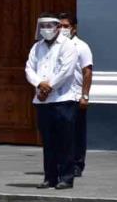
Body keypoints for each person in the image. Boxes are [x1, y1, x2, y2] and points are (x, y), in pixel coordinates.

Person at [25, 13, 79, 190]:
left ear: (57, 27)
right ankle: (50, 177)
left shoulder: (68, 45)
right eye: (43, 26)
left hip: (63, 99)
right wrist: (39, 84)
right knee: (48, 142)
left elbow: (67, 70)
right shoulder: (37, 47)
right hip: (42, 101)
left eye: (50, 25)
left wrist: (49, 87)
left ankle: (66, 177)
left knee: (65, 140)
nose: (46, 29)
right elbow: (29, 69)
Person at [58, 12, 93, 177]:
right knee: (62, 132)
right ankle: (62, 163)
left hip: (76, 94)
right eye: (60, 26)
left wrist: (85, 95)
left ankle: (77, 164)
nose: (63, 29)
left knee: (77, 132)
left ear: (74, 28)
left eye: (66, 26)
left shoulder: (82, 47)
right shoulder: (55, 47)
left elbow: (87, 72)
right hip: (60, 96)